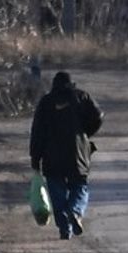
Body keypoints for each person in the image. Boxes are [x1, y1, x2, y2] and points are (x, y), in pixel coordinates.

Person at [29, 70, 103, 240]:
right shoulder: (82, 97)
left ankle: (65, 229)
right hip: (78, 154)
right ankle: (75, 212)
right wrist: (85, 133)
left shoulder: (46, 102)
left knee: (57, 191)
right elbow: (98, 116)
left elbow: (37, 132)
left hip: (51, 156)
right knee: (80, 186)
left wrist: (35, 157)